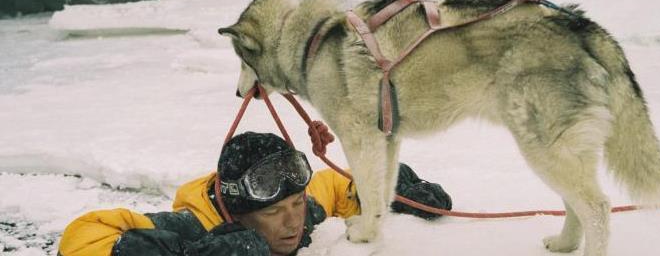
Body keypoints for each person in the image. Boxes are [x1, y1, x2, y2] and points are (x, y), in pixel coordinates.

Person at [58, 129, 452, 256]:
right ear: (237, 212)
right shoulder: (195, 226)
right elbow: (79, 238)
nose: (293, 219)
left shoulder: (306, 203)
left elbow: (344, 183)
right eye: (273, 212)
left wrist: (400, 187)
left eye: (296, 204)